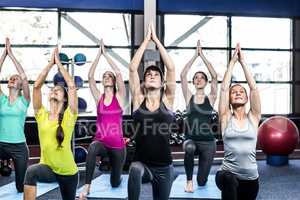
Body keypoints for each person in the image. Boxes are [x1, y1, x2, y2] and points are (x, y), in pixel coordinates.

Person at [128, 23, 176, 200]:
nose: (152, 76)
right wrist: (146, 41)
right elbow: (133, 68)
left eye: (156, 75)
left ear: (163, 83)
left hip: (165, 167)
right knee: (134, 169)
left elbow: (170, 68)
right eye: (149, 75)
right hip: (142, 164)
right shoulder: (139, 101)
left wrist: (156, 40)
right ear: (143, 82)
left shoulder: (167, 100)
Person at [23, 48, 78, 200]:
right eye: (52, 89)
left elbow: (72, 87)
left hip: (69, 173)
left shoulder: (69, 116)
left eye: (58, 90)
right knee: (31, 172)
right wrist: (49, 64)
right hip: (48, 168)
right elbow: (36, 87)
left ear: (65, 99)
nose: (54, 91)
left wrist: (59, 64)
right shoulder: (42, 115)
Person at [79, 40, 127, 199]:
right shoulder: (98, 97)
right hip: (101, 141)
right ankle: (87, 186)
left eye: (109, 76)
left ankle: (117, 176)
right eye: (104, 76)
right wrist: (98, 55)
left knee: (115, 182)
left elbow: (119, 73)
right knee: (92, 147)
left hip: (117, 146)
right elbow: (90, 76)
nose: (106, 77)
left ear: (113, 81)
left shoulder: (119, 97)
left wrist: (106, 54)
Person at [216, 44, 261, 200]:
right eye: (234, 92)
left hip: (251, 180)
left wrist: (243, 62)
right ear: (229, 98)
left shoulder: (253, 117)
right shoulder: (225, 117)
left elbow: (253, 88)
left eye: (241, 92)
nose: (237, 93)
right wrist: (232, 62)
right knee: (228, 179)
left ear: (246, 98)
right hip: (227, 175)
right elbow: (223, 89)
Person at [180, 40, 218, 192]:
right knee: (188, 147)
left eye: (202, 77)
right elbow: (182, 75)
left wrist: (202, 55)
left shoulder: (211, 98)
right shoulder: (189, 96)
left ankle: (199, 178)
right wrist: (195, 55)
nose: (199, 79)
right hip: (191, 140)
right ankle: (189, 181)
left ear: (206, 82)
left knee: (202, 182)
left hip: (208, 143)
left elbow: (215, 77)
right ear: (193, 82)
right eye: (196, 77)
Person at [0, 38, 30, 192]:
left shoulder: (24, 100)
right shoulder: (2, 99)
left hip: (19, 146)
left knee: (21, 188)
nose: (13, 79)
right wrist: (3, 55)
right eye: (11, 78)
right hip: (0, 143)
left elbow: (24, 78)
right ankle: (3, 163)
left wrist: (11, 55)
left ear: (19, 85)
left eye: (15, 79)